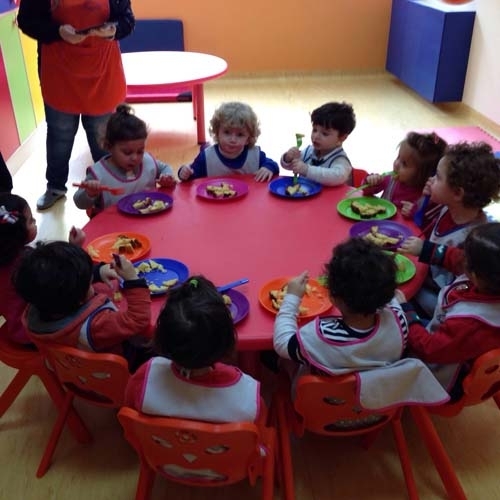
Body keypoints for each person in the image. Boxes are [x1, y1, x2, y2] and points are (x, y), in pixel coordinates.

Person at [17, 0, 135, 211]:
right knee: (59, 136)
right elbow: (27, 21)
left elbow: (127, 20)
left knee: (103, 138)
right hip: (59, 73)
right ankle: (55, 187)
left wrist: (113, 30)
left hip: (102, 73)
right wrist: (57, 32)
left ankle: (109, 188)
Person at [125, 275, 266, 426]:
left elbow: (131, 414)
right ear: (227, 341)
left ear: (161, 337)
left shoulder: (145, 377)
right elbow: (260, 436)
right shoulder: (249, 399)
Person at [273, 238, 408, 379]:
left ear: (334, 297)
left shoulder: (322, 336)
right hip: (376, 389)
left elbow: (282, 344)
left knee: (282, 360)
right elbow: (393, 298)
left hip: (323, 391)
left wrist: (292, 298)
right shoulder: (400, 320)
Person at [398, 222, 500, 400]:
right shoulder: (490, 277)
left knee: (385, 339)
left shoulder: (471, 324)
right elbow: (455, 258)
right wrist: (426, 249)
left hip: (441, 377)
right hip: (446, 341)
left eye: (465, 256)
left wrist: (406, 311)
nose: (460, 257)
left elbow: (429, 349)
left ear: (474, 275)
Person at [13, 241, 152, 370]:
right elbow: (138, 319)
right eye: (89, 283)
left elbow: (60, 285)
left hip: (73, 373)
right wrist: (133, 280)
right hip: (113, 373)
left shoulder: (36, 306)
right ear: (80, 299)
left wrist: (97, 273)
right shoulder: (96, 325)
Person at [399, 141, 500, 317]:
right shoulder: (448, 206)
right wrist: (425, 198)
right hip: (426, 274)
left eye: (438, 177)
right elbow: (421, 222)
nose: (431, 180)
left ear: (457, 193)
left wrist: (426, 249)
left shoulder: (474, 237)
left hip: (441, 295)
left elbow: (461, 263)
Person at [0, 194, 92, 345]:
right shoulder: (26, 263)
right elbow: (61, 281)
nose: (36, 221)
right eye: (31, 221)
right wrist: (75, 248)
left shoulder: (11, 259)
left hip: (15, 326)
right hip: (35, 332)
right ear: (17, 234)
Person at [73, 104, 175, 217]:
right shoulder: (99, 174)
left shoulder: (147, 161)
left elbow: (165, 168)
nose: (135, 157)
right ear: (109, 146)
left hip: (147, 222)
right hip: (111, 225)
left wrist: (167, 177)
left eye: (140, 151)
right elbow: (79, 202)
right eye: (127, 152)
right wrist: (90, 193)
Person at [177, 102, 279, 182]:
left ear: (249, 138)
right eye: (227, 132)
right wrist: (184, 173)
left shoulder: (255, 155)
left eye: (240, 135)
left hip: (249, 202)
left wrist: (268, 168)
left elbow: (273, 166)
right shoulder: (206, 157)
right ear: (217, 132)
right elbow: (191, 177)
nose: (232, 140)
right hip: (216, 202)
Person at [362, 131, 447, 218]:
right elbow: (366, 192)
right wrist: (370, 182)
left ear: (422, 175)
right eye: (398, 157)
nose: (396, 164)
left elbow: (424, 222)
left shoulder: (426, 197)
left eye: (404, 164)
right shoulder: (390, 180)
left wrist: (415, 214)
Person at [280, 101, 356, 186]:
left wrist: (306, 170)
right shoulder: (308, 151)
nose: (316, 136)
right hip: (304, 192)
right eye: (314, 130)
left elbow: (336, 177)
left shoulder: (341, 160)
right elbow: (293, 166)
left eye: (325, 134)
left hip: (330, 195)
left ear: (342, 138)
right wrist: (288, 158)